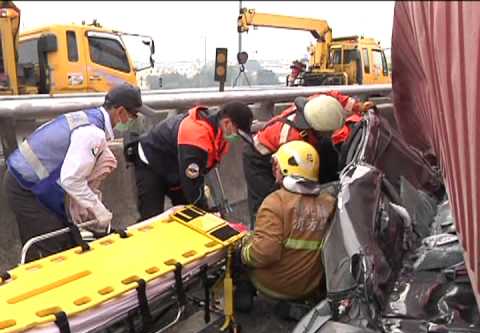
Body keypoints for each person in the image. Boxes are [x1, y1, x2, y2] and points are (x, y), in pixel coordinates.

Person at [4, 83, 147, 261]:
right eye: (133, 115)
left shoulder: (88, 117)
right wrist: (98, 210)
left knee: (67, 239)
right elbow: (71, 180)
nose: (132, 120)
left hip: (28, 181)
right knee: (52, 246)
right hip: (25, 188)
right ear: (120, 112)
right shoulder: (93, 133)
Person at [242, 91, 374, 226]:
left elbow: (335, 96)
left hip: (285, 148)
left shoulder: (320, 104)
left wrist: (358, 107)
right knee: (268, 202)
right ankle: (261, 233)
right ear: (315, 129)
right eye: (327, 132)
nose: (330, 134)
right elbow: (287, 175)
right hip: (259, 158)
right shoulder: (292, 139)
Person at [239, 140, 336, 304]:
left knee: (236, 256)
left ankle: (242, 301)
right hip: (309, 286)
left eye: (277, 165)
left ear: (286, 169)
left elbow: (264, 253)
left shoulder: (275, 203)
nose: (274, 169)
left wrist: (243, 251)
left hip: (275, 285)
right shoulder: (329, 203)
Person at [127, 102, 254, 220]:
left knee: (189, 214)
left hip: (175, 166)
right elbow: (192, 185)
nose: (237, 138)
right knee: (152, 218)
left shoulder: (219, 133)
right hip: (151, 162)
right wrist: (206, 213)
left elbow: (198, 175)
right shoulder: (196, 137)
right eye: (238, 133)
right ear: (227, 123)